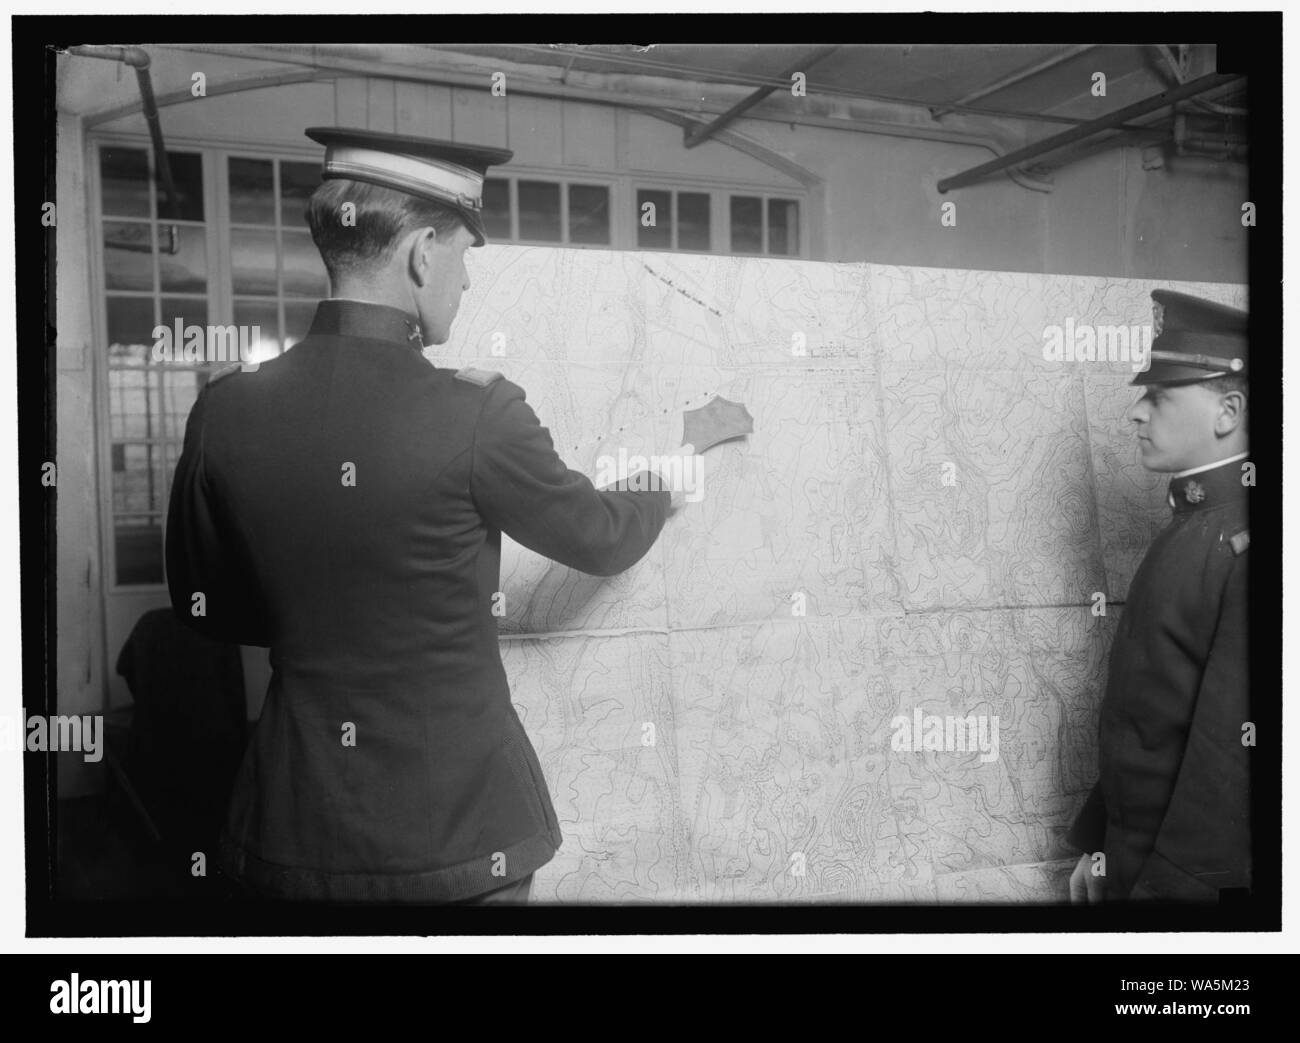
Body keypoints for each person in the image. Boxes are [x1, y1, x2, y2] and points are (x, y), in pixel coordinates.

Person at [166, 127, 681, 903]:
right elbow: (604, 536)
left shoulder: (224, 412)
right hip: (463, 837)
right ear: (422, 255)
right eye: (465, 256)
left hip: (290, 831)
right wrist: (671, 471)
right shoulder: (478, 414)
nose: (466, 282)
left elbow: (206, 606)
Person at [1068, 289, 1250, 903]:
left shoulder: (1245, 546)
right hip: (1132, 863)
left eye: (1159, 396)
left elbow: (1229, 755)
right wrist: (1101, 848)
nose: (1136, 414)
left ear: (1228, 411)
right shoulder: (1196, 525)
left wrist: (1161, 900)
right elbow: (1147, 714)